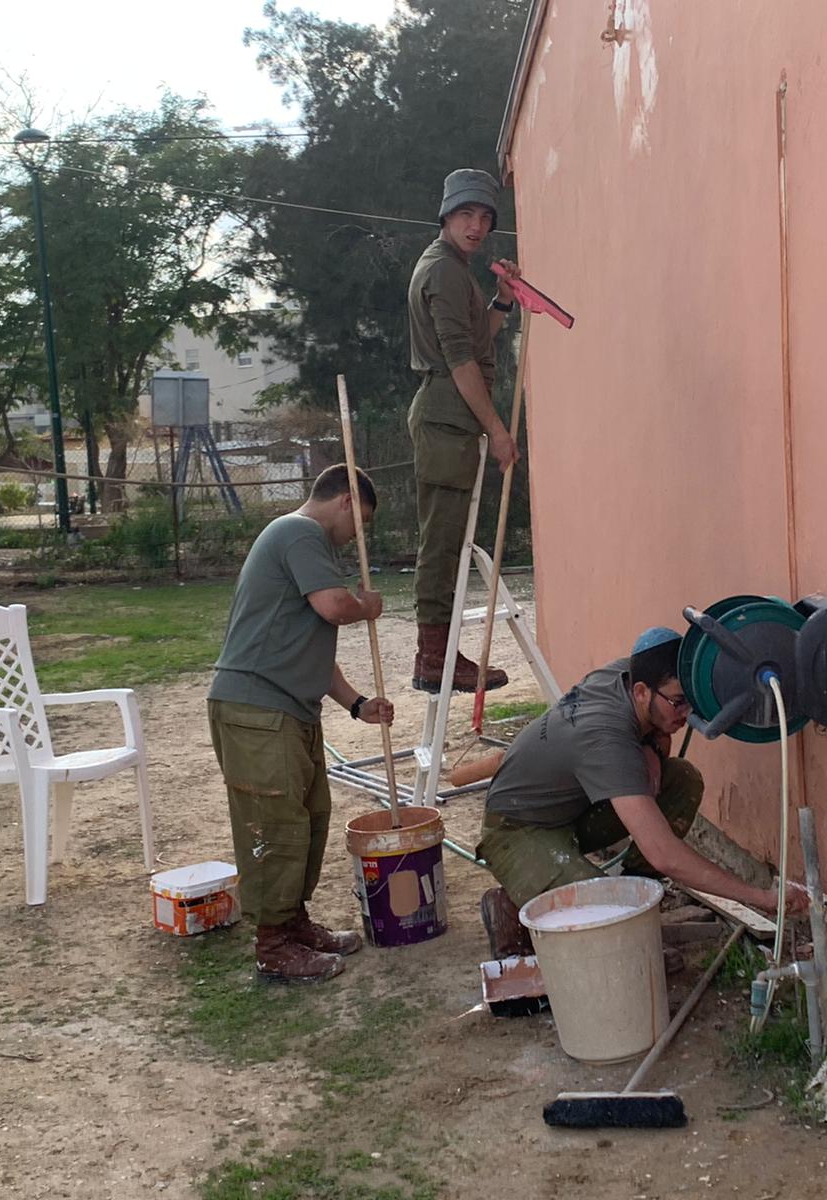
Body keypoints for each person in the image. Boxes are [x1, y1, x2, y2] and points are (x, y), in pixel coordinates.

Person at [475, 627, 811, 957]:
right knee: (612, 926)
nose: (686, 714)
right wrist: (764, 898)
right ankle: (510, 904)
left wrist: (651, 744)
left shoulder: (631, 671)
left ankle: (636, 893)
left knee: (680, 780)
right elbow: (665, 855)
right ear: (640, 692)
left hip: (570, 812)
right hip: (516, 829)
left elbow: (655, 730)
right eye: (678, 703)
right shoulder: (606, 740)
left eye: (690, 702)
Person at [207, 464, 395, 983]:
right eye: (361, 521)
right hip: (255, 711)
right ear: (345, 500)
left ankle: (294, 923)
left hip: (286, 712)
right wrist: (366, 605)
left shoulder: (306, 545)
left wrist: (356, 704)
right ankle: (272, 944)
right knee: (277, 827)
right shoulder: (299, 532)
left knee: (309, 818)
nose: (359, 534)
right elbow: (335, 608)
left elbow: (313, 648)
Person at [405, 166, 523, 693]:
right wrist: (497, 430)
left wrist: (501, 299)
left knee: (451, 540)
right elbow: (459, 360)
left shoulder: (454, 267)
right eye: (466, 214)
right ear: (446, 216)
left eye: (484, 217)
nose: (476, 226)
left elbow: (477, 342)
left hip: (451, 418)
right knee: (443, 543)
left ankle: (440, 654)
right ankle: (434, 659)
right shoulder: (444, 270)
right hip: (447, 418)